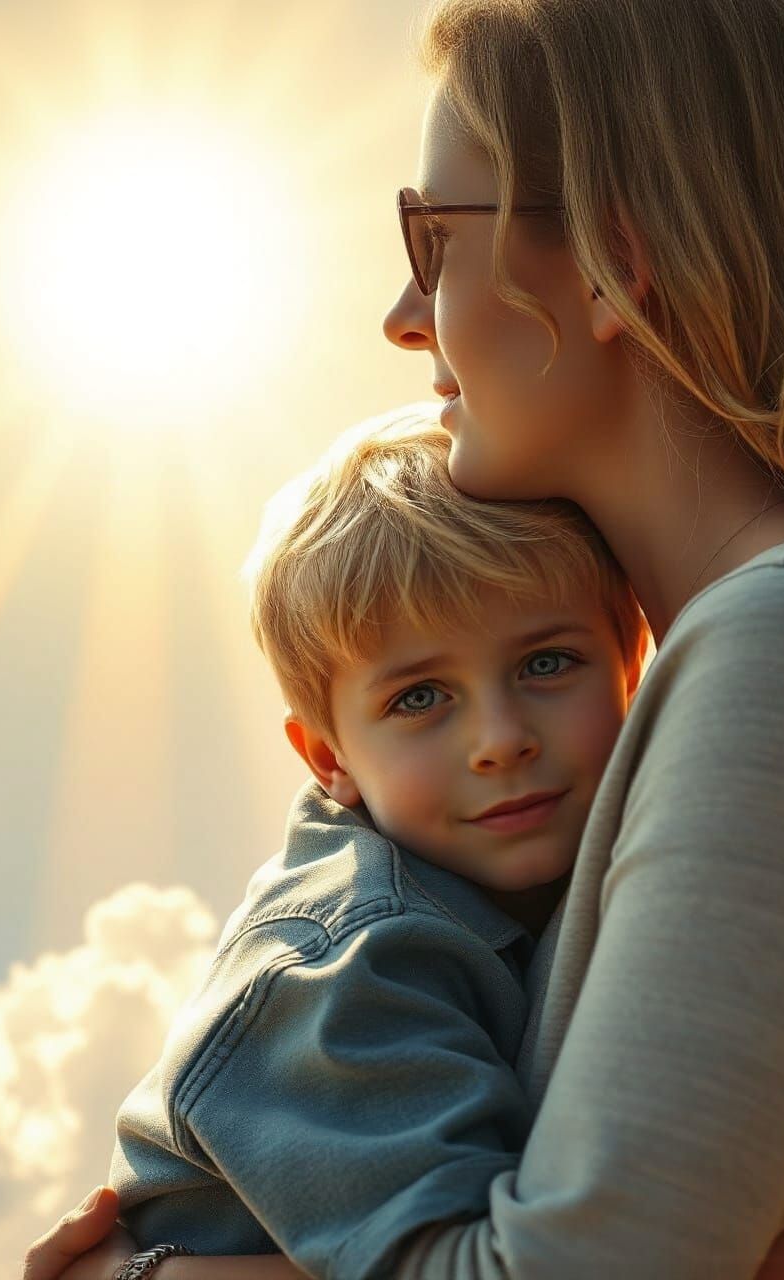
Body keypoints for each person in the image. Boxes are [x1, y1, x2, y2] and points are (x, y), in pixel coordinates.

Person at [25, 0, 784, 1277]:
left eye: (433, 236)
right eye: (417, 698)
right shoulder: (780, 641)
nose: (406, 314)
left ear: (615, 268)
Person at [105, 410, 651, 1276]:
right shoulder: (347, 960)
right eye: (419, 698)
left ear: (632, 665)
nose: (500, 739)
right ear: (330, 759)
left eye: (545, 663)